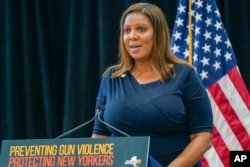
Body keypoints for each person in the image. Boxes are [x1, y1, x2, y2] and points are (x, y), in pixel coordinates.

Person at [91, 2, 213, 167]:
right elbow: (100, 137)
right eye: (127, 30)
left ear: (158, 34)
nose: (132, 36)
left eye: (141, 29)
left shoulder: (184, 75)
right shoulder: (111, 78)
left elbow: (202, 137)